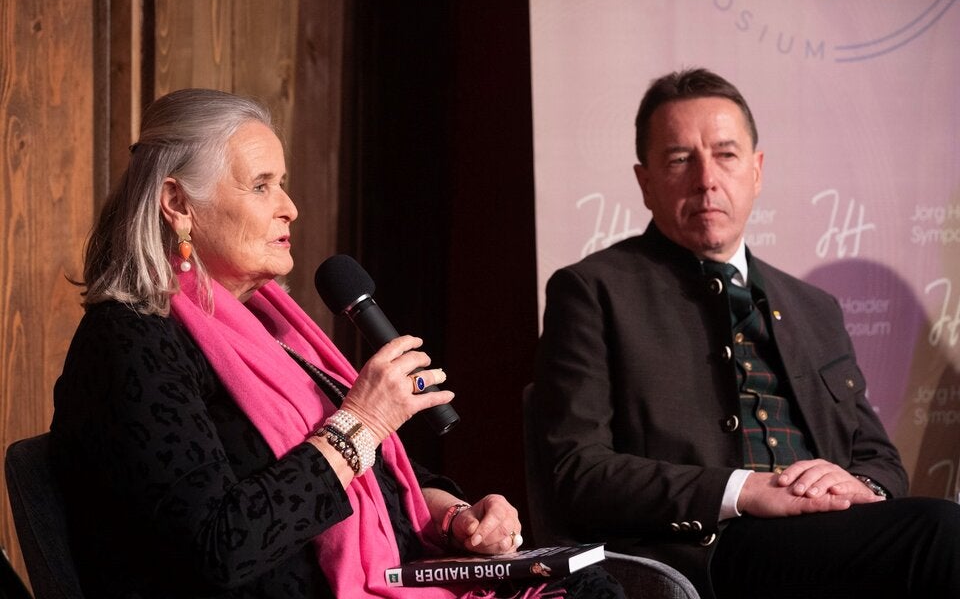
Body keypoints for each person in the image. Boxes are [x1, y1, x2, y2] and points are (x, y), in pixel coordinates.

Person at [51, 88, 623, 599]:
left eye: (283, 182)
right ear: (177, 203)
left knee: (589, 583)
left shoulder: (268, 329)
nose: (289, 207)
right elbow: (220, 547)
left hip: (387, 575)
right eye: (260, 186)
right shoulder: (128, 342)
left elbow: (371, 478)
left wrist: (456, 518)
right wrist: (363, 422)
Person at [532, 68, 960, 598]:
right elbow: (578, 473)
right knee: (943, 534)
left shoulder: (813, 308)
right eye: (680, 159)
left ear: (756, 171)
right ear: (645, 183)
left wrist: (859, 484)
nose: (706, 179)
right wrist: (743, 490)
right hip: (711, 551)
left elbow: (880, 460)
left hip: (836, 534)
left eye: (726, 155)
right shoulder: (594, 291)